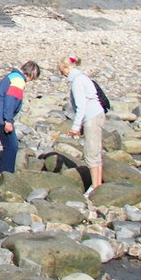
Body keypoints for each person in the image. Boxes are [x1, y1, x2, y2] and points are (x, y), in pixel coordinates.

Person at [0, 61, 41, 174]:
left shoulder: (13, 76)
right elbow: (10, 101)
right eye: (33, 78)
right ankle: (6, 173)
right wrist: (8, 121)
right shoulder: (18, 80)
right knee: (12, 146)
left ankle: (5, 170)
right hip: (0, 115)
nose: (30, 81)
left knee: (9, 144)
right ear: (31, 74)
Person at [60, 56, 106, 196]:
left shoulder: (77, 81)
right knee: (95, 151)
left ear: (67, 68)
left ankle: (95, 185)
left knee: (91, 152)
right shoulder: (81, 78)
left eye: (61, 70)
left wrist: (75, 127)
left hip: (91, 117)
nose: (61, 73)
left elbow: (81, 107)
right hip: (96, 114)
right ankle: (97, 183)